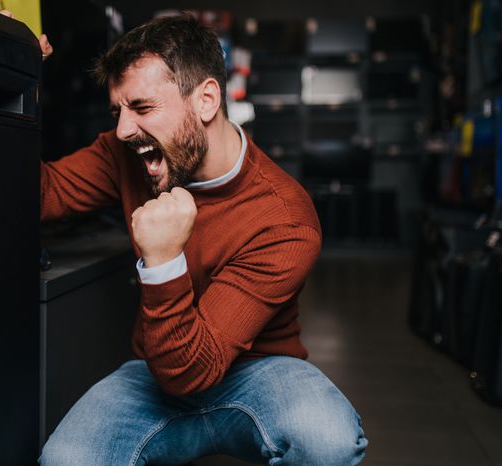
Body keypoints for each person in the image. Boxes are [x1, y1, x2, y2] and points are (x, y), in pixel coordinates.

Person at [36, 13, 367, 466]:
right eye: (118, 111)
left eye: (142, 107)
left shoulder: (285, 219)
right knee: (65, 460)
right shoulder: (126, 153)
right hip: (154, 371)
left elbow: (195, 371)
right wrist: (5, 77)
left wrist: (163, 261)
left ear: (207, 99)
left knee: (327, 439)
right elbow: (35, 195)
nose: (123, 130)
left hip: (260, 372)